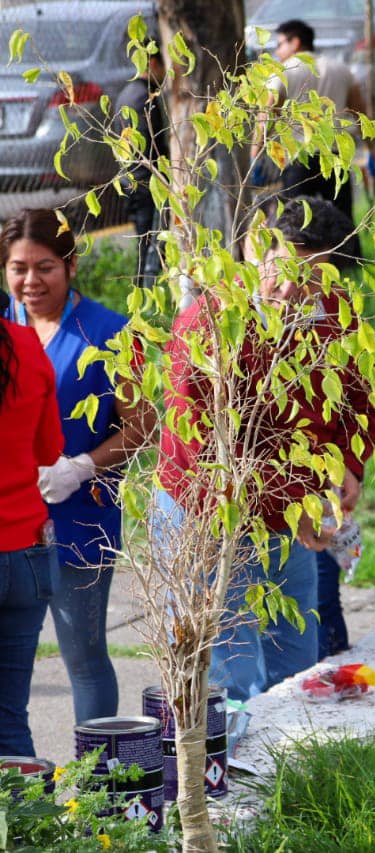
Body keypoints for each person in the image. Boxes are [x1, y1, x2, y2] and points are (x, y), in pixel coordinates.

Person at [155, 197, 375, 701]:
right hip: (208, 514)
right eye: (288, 268)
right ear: (257, 246)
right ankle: (219, 778)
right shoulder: (209, 326)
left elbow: (362, 400)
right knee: (225, 674)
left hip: (287, 512)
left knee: (296, 656)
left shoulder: (335, 316)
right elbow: (204, 451)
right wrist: (292, 506)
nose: (297, 289)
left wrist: (350, 465)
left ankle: (287, 775)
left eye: (316, 275)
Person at [3, 209, 153, 724]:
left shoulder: (109, 331)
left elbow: (144, 425)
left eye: (44, 266)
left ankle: (99, 795)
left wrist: (81, 466)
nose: (30, 281)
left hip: (80, 518)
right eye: (18, 268)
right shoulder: (4, 330)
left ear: (69, 265)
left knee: (83, 657)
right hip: (11, 521)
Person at [256, 19, 373, 264]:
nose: (277, 52)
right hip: (336, 155)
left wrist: (256, 152)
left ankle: (296, 266)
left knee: (294, 219)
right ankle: (347, 270)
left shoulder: (285, 70)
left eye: (280, 44)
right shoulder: (340, 68)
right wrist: (372, 149)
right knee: (341, 216)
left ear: (295, 41)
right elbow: (359, 111)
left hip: (299, 159)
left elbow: (266, 114)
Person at [0, 304, 62, 755]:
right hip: (27, 554)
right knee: (9, 718)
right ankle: (25, 828)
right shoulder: (25, 344)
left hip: (28, 548)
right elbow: (49, 448)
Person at [114, 50, 167, 286]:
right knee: (150, 243)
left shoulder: (126, 93)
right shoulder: (146, 97)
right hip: (146, 181)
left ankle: (145, 288)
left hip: (129, 179)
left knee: (144, 239)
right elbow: (152, 144)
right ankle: (146, 290)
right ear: (154, 63)